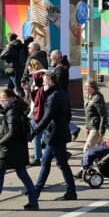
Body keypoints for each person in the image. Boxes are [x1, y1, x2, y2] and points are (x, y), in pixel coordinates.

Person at [0, 89, 39, 211]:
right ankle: (33, 201)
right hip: (17, 148)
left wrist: (1, 142)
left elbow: (12, 132)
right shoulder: (15, 109)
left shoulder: (12, 112)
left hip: (9, 149)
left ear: (11, 98)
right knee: (22, 174)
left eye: (3, 99)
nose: (2, 101)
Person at [32, 72, 77, 201]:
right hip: (57, 132)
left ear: (51, 81)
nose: (43, 83)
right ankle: (36, 191)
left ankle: (71, 192)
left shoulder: (53, 96)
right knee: (46, 162)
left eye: (45, 81)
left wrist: (35, 131)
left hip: (54, 135)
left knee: (62, 164)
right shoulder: (62, 93)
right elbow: (68, 115)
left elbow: (47, 117)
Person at [82, 80, 107, 152]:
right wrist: (87, 126)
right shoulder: (87, 96)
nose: (85, 88)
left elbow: (103, 115)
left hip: (96, 128)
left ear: (93, 87)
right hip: (89, 126)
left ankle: (85, 163)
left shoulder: (97, 98)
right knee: (96, 149)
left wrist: (102, 130)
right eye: (85, 86)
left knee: (87, 150)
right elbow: (88, 113)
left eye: (87, 86)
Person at [0, 33, 27, 98]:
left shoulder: (10, 46)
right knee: (10, 88)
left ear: (9, 38)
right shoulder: (22, 45)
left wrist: (7, 54)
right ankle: (7, 102)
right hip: (21, 67)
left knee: (18, 89)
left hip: (13, 68)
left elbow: (2, 56)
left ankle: (22, 104)